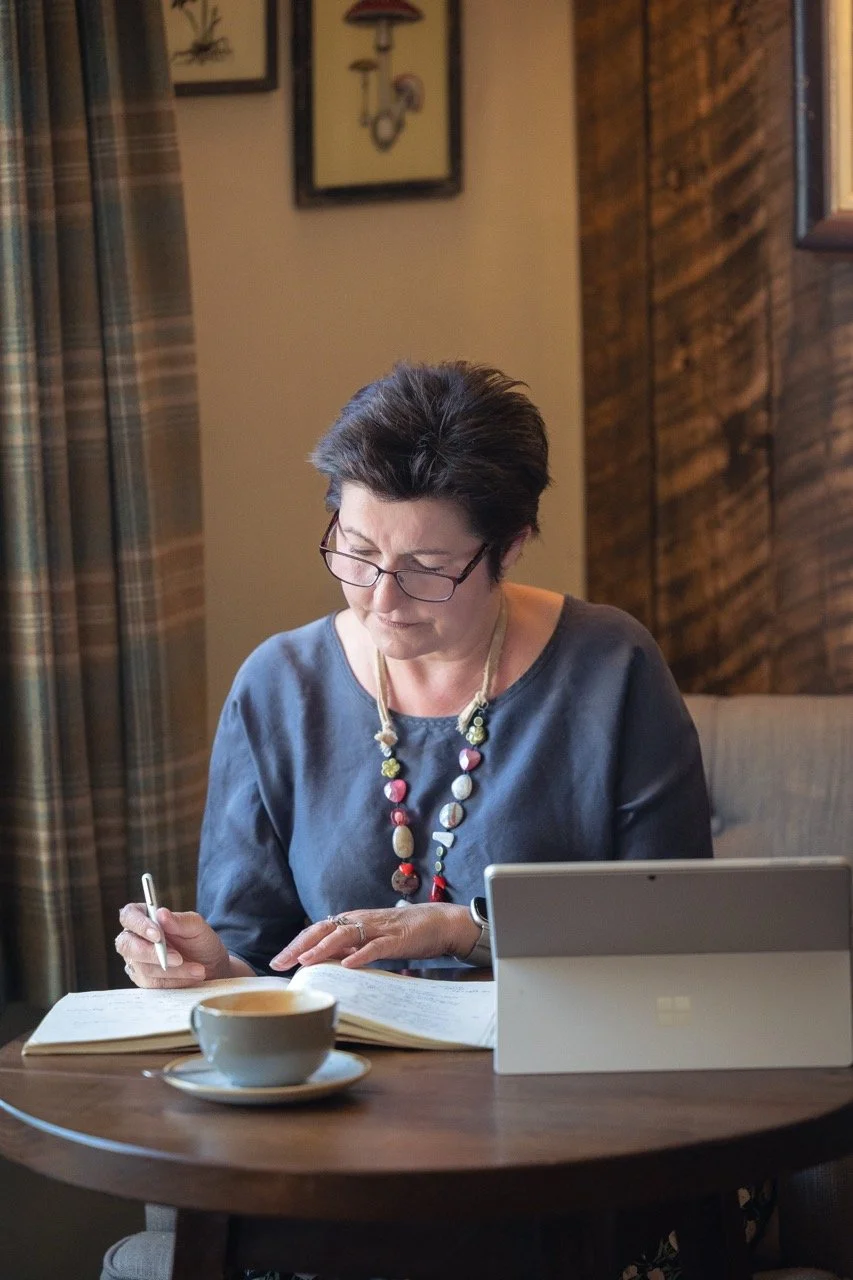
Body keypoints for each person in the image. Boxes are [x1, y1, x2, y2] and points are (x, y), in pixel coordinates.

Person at [115, 360, 712, 989]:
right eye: (359, 551)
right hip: (337, 1075)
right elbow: (258, 956)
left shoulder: (610, 669)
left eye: (426, 566)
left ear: (509, 547)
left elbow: (673, 925)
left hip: (544, 1064)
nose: (381, 599)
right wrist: (211, 968)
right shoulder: (278, 687)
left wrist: (467, 931)